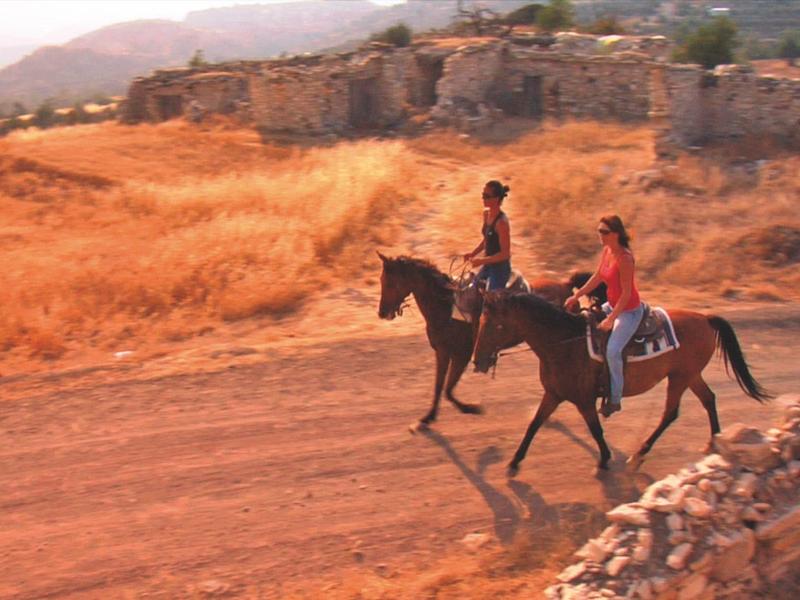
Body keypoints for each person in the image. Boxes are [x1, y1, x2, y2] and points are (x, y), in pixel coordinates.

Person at [564, 215, 644, 417]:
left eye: (604, 232)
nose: (600, 235)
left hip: (628, 311)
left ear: (616, 234)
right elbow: (598, 277)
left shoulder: (625, 258)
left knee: (613, 351)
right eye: (599, 231)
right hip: (612, 305)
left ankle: (615, 398)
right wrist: (577, 295)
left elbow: (626, 293)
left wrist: (610, 319)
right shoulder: (607, 251)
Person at [463, 180, 512, 291]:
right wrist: (473, 253)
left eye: (486, 196)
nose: (483, 198)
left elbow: (505, 254)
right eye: (482, 195)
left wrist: (482, 261)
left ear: (496, 199)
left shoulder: (502, 223)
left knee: (490, 303)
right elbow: (487, 240)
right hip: (488, 265)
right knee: (470, 292)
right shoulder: (486, 214)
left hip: (500, 270)